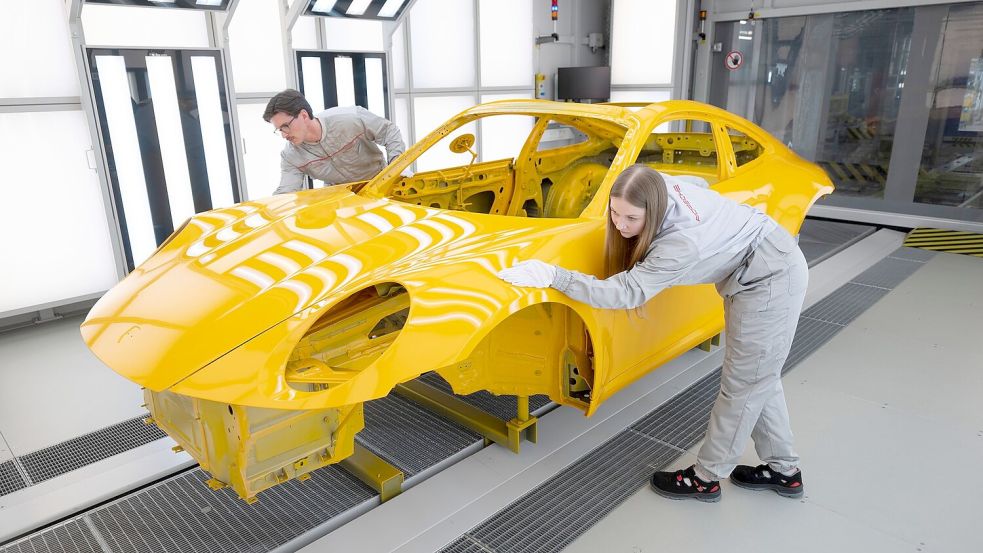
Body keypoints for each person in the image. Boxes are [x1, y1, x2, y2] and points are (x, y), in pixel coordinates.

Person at [497, 164, 808, 503]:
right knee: (759, 375)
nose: (619, 224)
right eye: (615, 213)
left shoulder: (681, 244)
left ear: (655, 208)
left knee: (744, 383)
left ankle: (707, 478)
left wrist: (556, 277)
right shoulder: (660, 184)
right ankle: (784, 469)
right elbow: (697, 181)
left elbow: (627, 292)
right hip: (757, 266)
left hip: (770, 278)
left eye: (632, 219)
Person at [263, 89, 406, 195]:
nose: (283, 135)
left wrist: (396, 167)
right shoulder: (291, 156)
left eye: (285, 126)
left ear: (304, 115)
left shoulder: (351, 118)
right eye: (279, 130)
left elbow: (388, 132)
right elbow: (286, 191)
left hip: (380, 186)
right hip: (341, 200)